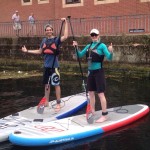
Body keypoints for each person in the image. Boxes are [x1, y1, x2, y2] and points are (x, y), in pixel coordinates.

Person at [21, 18, 68, 112]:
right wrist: (27, 51)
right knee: (46, 85)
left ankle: (58, 103)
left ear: (52, 31)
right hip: (46, 66)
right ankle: (46, 101)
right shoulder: (43, 41)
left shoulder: (56, 40)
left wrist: (65, 22)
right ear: (45, 32)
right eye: (47, 30)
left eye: (50, 30)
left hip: (55, 67)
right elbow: (39, 51)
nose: (49, 31)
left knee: (56, 84)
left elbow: (66, 36)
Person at [73, 28, 113, 123]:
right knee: (91, 92)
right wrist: (76, 47)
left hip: (99, 72)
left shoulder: (102, 46)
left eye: (95, 35)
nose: (94, 36)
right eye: (92, 35)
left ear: (99, 35)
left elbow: (110, 58)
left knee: (100, 93)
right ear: (91, 36)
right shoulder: (88, 45)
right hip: (90, 72)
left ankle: (104, 115)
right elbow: (79, 55)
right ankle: (92, 111)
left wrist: (111, 51)